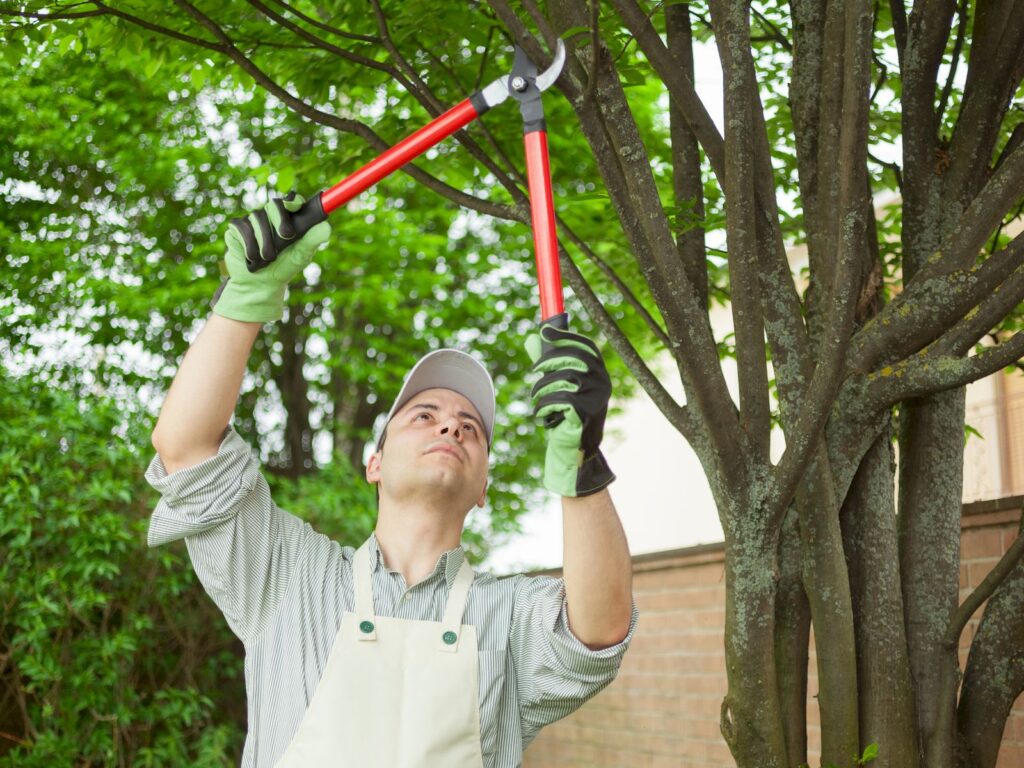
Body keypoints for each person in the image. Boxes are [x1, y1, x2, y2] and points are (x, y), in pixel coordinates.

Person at [145, 192, 638, 767]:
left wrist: (582, 465)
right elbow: (187, 449)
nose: (450, 427)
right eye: (424, 415)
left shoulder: (509, 618)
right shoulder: (289, 575)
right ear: (373, 464)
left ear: (483, 489)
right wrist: (244, 301)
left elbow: (598, 632)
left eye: (470, 428)